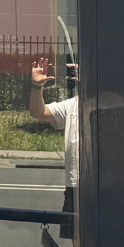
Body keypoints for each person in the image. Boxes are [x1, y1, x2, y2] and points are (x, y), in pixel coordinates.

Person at [28, 57, 79, 237]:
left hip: (105, 188)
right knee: (78, 246)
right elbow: (38, 112)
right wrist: (36, 86)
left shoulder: (111, 101)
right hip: (74, 188)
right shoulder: (73, 105)